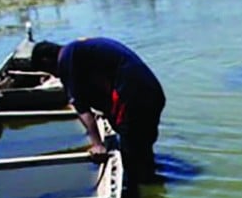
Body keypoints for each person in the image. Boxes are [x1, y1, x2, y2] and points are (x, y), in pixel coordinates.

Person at [30, 37, 167, 182]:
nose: (56, 76)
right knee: (143, 148)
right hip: (153, 93)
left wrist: (97, 144)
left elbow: (81, 107)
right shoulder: (79, 50)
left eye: (49, 71)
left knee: (131, 159)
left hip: (133, 98)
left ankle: (142, 191)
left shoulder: (66, 60)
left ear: (47, 60)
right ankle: (153, 182)